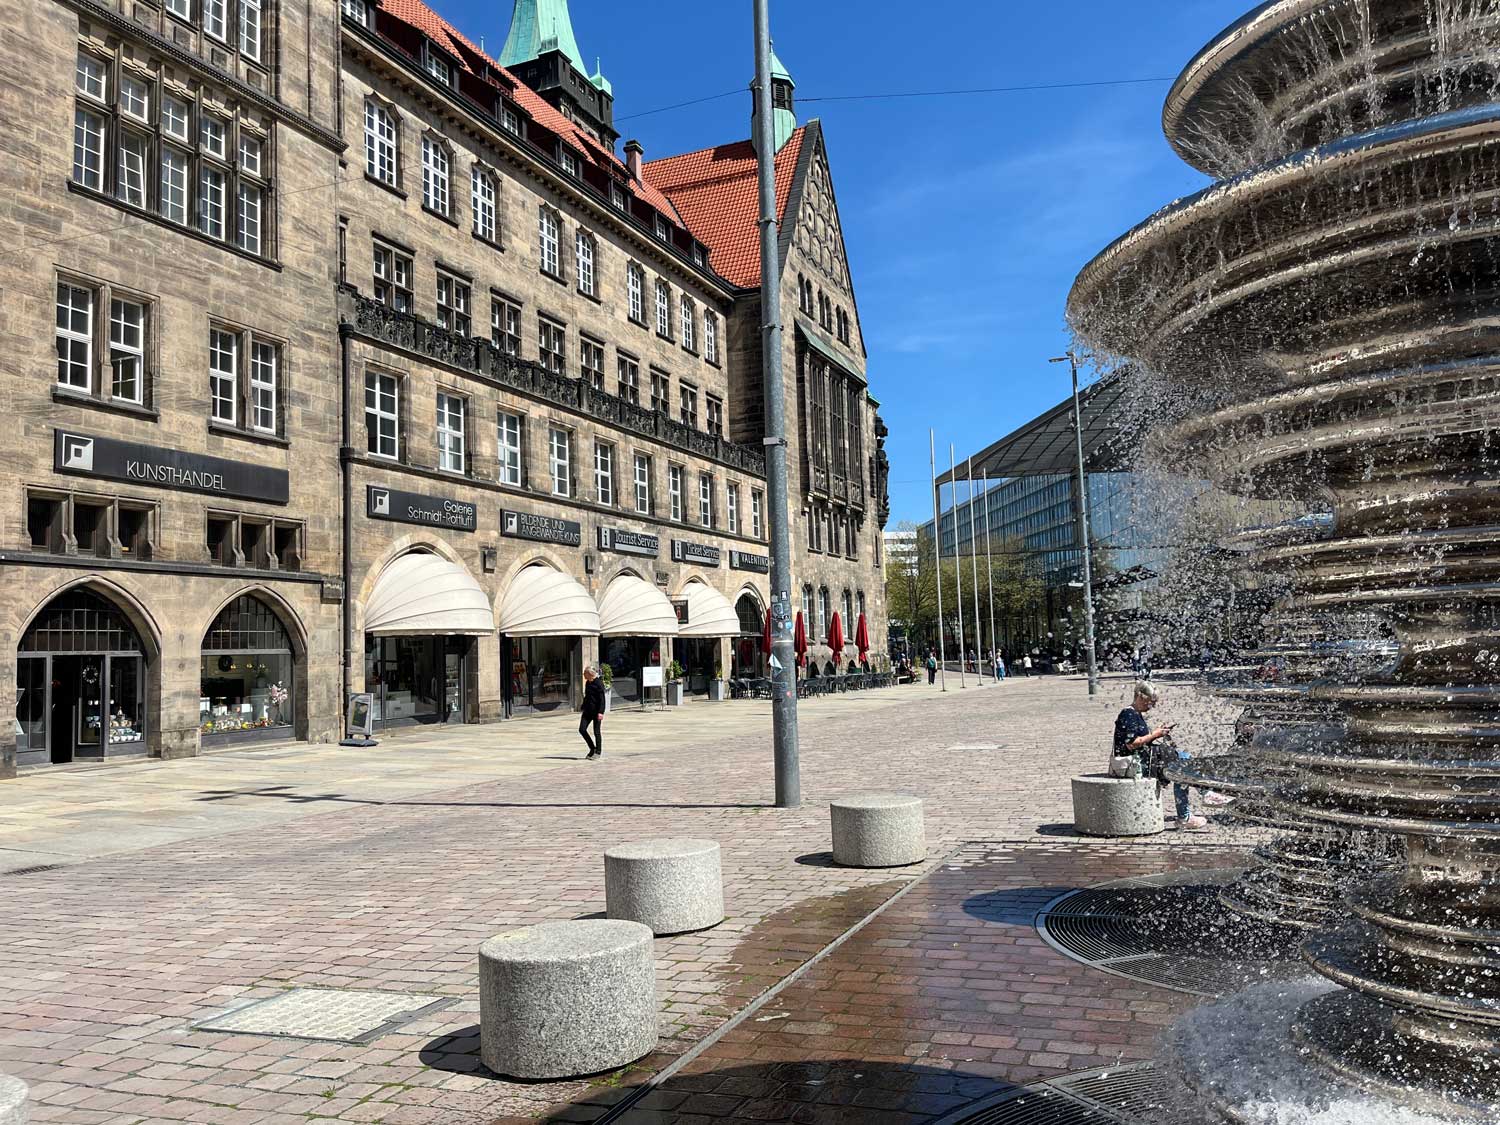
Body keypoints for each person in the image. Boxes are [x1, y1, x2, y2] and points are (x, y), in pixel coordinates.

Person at [1113, 681, 1213, 830]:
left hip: (1143, 759)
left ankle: (1190, 810)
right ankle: (1198, 800)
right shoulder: (1128, 714)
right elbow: (1132, 744)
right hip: (1135, 764)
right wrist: (1155, 734)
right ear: (1140, 697)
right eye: (1150, 702)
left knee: (1183, 762)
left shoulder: (1136, 714)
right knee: (1183, 761)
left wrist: (1159, 733)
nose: (1152, 706)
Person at [580, 664, 605, 760]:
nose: (583, 675)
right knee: (582, 729)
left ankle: (598, 752)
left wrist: (601, 712)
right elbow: (587, 696)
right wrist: (583, 706)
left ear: (590, 674)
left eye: (585, 674)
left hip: (596, 711)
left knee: (596, 732)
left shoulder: (598, 683)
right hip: (587, 710)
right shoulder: (588, 683)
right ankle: (592, 748)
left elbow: (602, 699)